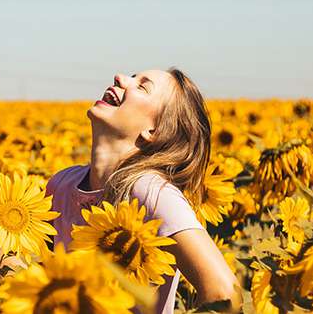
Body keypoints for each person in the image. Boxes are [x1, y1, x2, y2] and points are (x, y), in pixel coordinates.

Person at [46, 69, 240, 313]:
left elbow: (225, 293)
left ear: (153, 131)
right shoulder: (61, 184)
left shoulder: (150, 192)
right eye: (131, 76)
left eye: (142, 87)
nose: (120, 78)